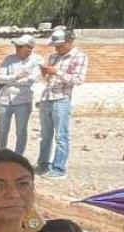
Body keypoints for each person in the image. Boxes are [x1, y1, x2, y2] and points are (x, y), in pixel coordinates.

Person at [37, 29, 89, 179]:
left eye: (60, 45)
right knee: (45, 135)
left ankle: (59, 168)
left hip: (62, 99)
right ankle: (43, 164)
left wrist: (56, 72)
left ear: (69, 41)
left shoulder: (80, 57)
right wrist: (45, 73)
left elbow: (78, 80)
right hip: (47, 97)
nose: (57, 48)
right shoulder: (53, 56)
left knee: (61, 136)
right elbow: (49, 79)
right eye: (56, 46)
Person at [0, 35, 43, 156]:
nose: (16, 48)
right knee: (2, 130)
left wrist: (8, 80)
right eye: (16, 46)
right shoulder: (9, 59)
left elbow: (31, 80)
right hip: (5, 100)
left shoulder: (38, 60)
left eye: (20, 46)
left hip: (23, 100)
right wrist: (16, 77)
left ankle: (18, 157)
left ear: (30, 48)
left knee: (21, 131)